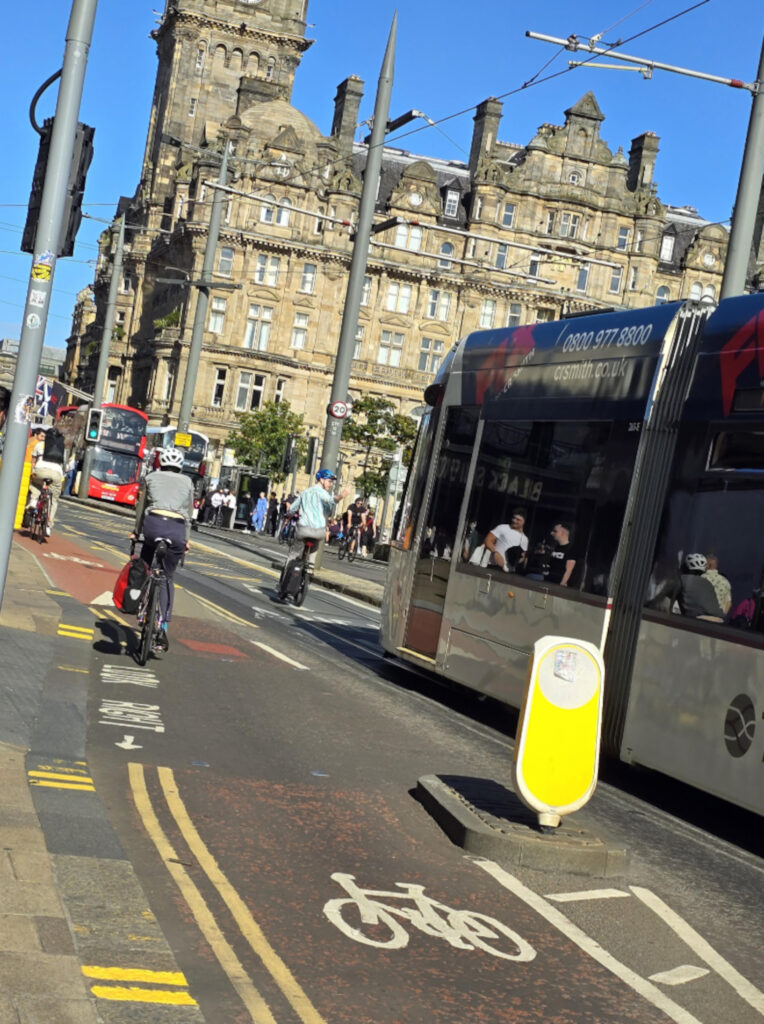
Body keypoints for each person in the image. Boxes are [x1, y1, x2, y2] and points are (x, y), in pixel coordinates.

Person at [130, 447, 194, 651]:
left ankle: (141, 604)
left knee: (146, 564)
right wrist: (187, 540)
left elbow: (141, 508)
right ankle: (163, 626)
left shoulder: (150, 477)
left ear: (161, 463)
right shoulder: (188, 482)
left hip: (153, 525)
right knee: (167, 577)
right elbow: (188, 514)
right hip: (176, 530)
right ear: (180, 466)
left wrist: (136, 532)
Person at [284, 469, 350, 578]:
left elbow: (291, 509)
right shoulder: (323, 493)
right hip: (319, 531)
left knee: (294, 553)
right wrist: (341, 496)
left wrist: (288, 515)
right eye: (329, 481)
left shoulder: (305, 492)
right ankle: (309, 569)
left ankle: (286, 577)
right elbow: (331, 501)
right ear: (321, 479)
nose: (331, 484)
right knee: (314, 549)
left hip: (303, 528)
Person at [26, 425, 65, 535]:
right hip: (56, 473)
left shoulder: (39, 445)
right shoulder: (61, 448)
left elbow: (33, 461)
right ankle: (48, 525)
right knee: (54, 501)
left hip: (41, 470)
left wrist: (33, 472)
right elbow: (63, 464)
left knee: (35, 484)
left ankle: (33, 500)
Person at [677, 553, 724, 621]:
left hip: (697, 621)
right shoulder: (708, 584)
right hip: (719, 620)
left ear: (685, 567)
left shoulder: (681, 579)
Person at [547, 521, 577, 587]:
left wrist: (561, 585)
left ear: (563, 533)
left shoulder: (571, 550)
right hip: (547, 582)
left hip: (558, 585)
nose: (552, 533)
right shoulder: (554, 547)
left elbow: (568, 571)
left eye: (555, 531)